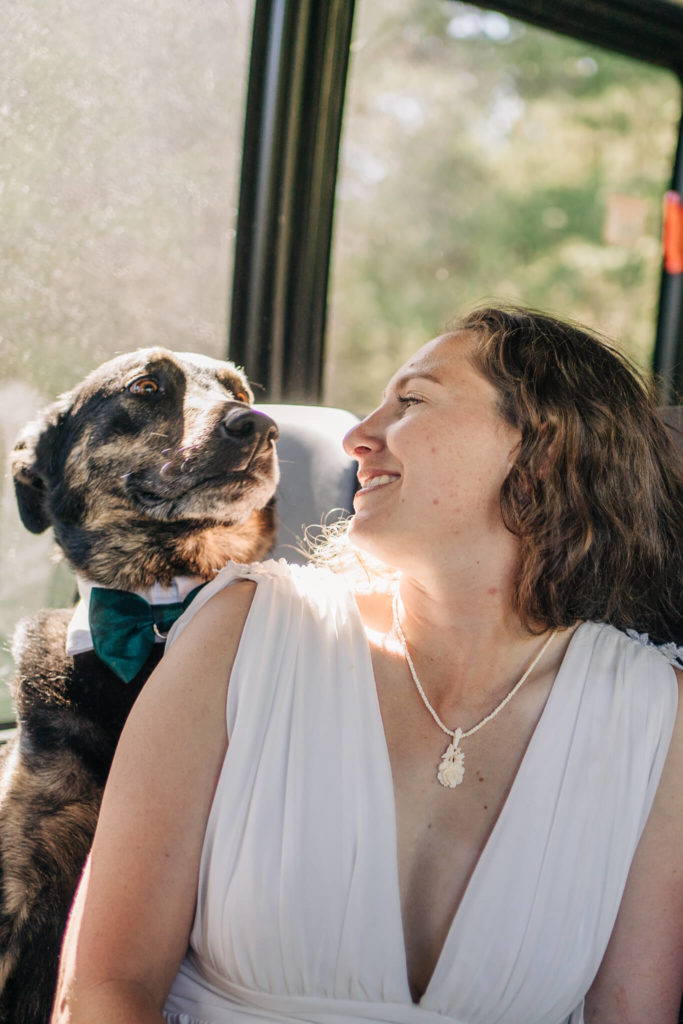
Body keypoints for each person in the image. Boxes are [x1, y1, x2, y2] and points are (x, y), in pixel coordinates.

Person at [52, 306, 683, 1024]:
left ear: (544, 452)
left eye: (410, 400)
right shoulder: (242, 633)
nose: (357, 437)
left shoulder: (656, 717)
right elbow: (107, 988)